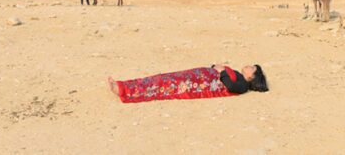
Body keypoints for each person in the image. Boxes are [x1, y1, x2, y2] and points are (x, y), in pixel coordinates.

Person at [108, 64, 268, 103]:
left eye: (251, 68)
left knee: (163, 86)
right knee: (161, 78)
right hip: (196, 75)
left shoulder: (243, 86)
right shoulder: (238, 74)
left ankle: (123, 90)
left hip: (195, 83)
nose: (247, 66)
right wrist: (216, 67)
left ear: (253, 77)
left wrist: (222, 71)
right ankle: (124, 85)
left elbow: (230, 86)